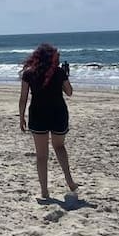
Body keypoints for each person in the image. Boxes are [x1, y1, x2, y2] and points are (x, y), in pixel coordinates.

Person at [18, 43, 80, 202]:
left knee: (41, 156)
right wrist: (66, 75)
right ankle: (69, 181)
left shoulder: (29, 73)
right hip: (58, 113)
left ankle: (44, 191)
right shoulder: (58, 72)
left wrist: (21, 117)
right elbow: (70, 92)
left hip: (38, 114)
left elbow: (23, 98)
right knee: (59, 147)